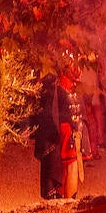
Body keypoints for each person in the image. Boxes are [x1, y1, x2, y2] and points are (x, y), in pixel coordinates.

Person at [34, 66, 83, 199]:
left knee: (67, 164)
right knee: (68, 164)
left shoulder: (62, 65)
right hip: (62, 121)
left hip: (64, 119)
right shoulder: (56, 69)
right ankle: (65, 205)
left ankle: (66, 205)